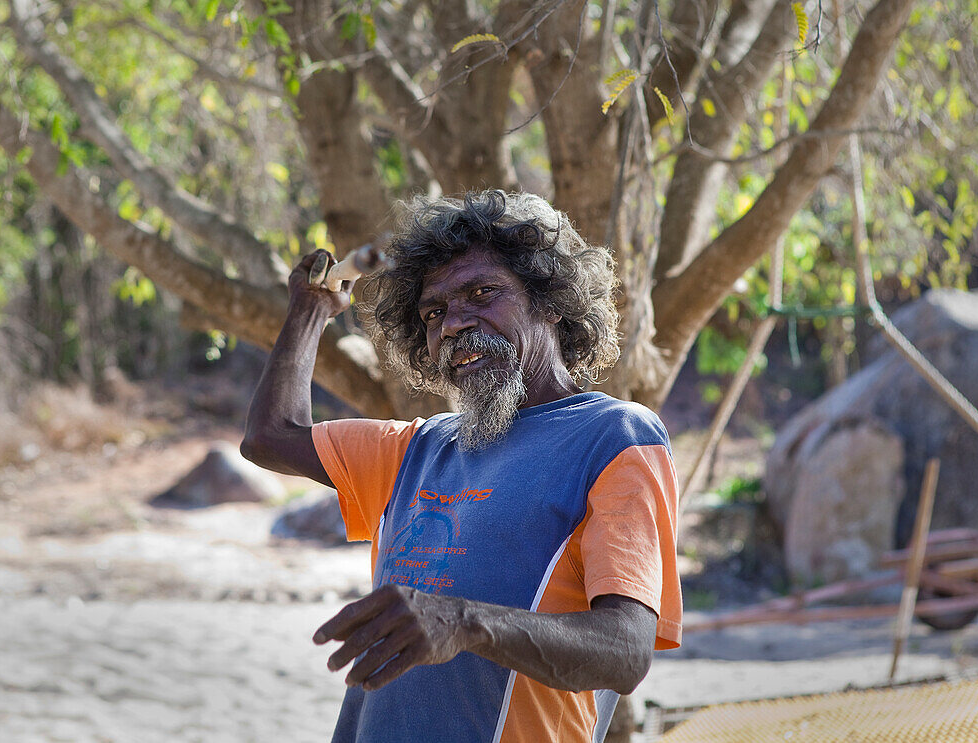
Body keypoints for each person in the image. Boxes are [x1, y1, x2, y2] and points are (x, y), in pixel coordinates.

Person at [241, 190, 682, 742]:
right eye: (434, 312)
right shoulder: (416, 449)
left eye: (482, 292)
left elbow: (625, 651)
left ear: (548, 299)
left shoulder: (615, 436)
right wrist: (309, 313)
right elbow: (270, 437)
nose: (452, 324)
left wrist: (464, 622)